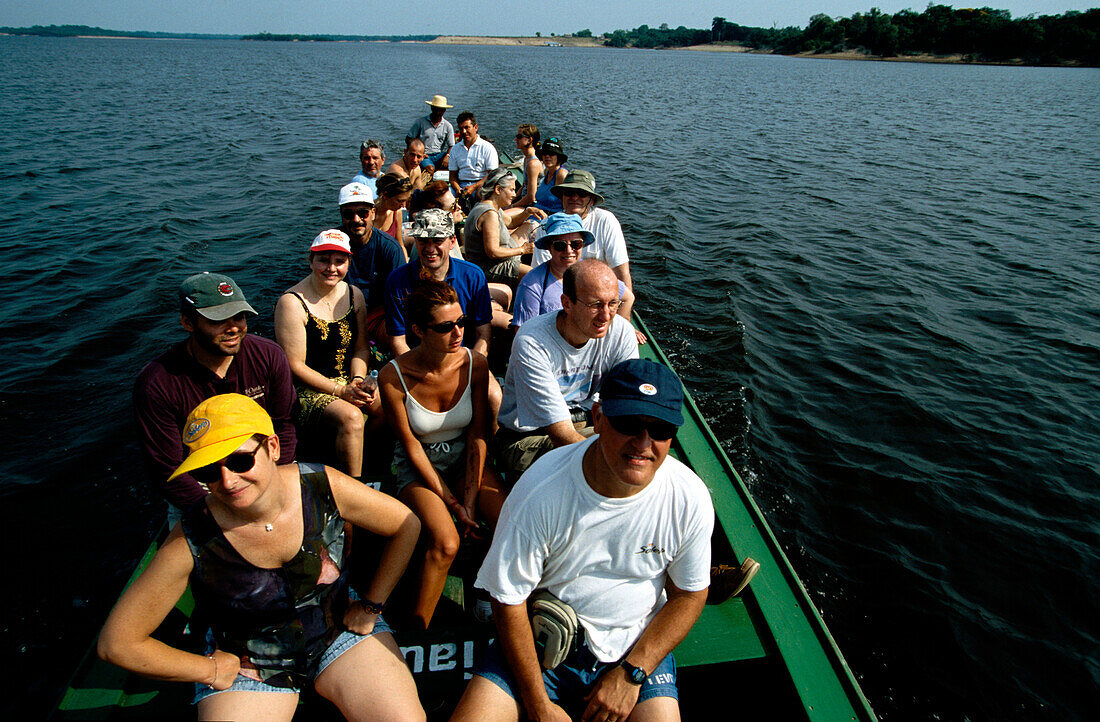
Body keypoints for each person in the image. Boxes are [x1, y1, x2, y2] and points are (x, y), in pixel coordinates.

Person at [98, 394, 425, 721]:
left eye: (240, 461)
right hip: (249, 663)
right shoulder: (193, 538)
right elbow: (118, 642)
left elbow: (405, 525)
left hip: (336, 630)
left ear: (272, 447)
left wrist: (371, 606)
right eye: (210, 471)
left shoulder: (320, 485)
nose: (227, 481)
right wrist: (208, 670)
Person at [452, 359, 713, 722]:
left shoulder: (690, 498)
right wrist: (539, 704)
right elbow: (509, 600)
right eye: (627, 423)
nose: (643, 444)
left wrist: (631, 674)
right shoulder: (541, 491)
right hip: (542, 643)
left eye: (661, 429)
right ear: (598, 416)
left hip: (635, 649)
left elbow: (689, 594)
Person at [378, 280, 505, 629]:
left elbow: (479, 434)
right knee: (446, 542)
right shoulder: (393, 376)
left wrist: (470, 500)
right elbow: (410, 445)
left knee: (505, 517)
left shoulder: (475, 364)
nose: (457, 333)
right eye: (445, 327)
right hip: (419, 466)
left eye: (461, 322)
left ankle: (486, 594)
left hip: (465, 458)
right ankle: (416, 627)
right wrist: (452, 503)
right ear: (418, 330)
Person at [134, 272, 298, 522]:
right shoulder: (157, 384)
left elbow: (284, 424)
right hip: (205, 482)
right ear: (188, 323)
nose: (233, 328)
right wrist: (219, 511)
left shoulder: (269, 356)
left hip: (263, 466)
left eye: (239, 317)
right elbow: (167, 468)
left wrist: (272, 481)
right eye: (218, 320)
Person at [496, 259, 639, 475]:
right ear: (567, 303)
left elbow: (628, 402)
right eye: (595, 305)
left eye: (613, 303)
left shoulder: (621, 333)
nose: (606, 316)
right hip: (529, 439)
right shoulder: (532, 342)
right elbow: (561, 435)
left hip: (588, 423)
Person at [274, 229, 381, 480]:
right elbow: (295, 366)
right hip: (308, 389)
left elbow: (361, 348)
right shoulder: (291, 303)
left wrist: (356, 380)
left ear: (348, 263)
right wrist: (341, 391)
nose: (331, 268)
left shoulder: (354, 295)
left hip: (347, 381)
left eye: (339, 261)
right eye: (323, 260)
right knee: (353, 417)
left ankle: (364, 459)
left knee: (387, 406)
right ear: (310, 261)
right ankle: (351, 493)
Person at [384, 209, 504, 418]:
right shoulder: (397, 281)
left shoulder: (473, 275)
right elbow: (398, 341)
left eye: (437, 240)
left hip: (464, 360)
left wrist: (469, 367)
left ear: (452, 241)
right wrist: (426, 375)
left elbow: (482, 334)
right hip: (416, 364)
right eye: (423, 241)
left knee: (494, 397)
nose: (430, 248)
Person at [511, 212, 634, 329]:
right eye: (560, 245)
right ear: (549, 247)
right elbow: (524, 332)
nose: (569, 250)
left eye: (576, 244)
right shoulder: (532, 284)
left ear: (583, 245)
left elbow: (628, 298)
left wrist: (615, 331)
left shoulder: (595, 273)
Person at [338, 182, 407, 347]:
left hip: (378, 314)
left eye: (363, 213)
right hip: (341, 313)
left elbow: (400, 297)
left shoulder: (390, 248)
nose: (356, 220)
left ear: (373, 213)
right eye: (348, 214)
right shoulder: (332, 245)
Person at [463, 167, 542, 286]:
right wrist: (523, 250)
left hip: (500, 254)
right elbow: (493, 252)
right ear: (498, 189)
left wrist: (527, 212)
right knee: (534, 275)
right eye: (512, 190)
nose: (515, 195)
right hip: (489, 266)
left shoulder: (490, 206)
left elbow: (510, 222)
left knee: (530, 226)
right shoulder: (489, 214)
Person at [449, 111, 498, 206]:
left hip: (481, 185)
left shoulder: (487, 147)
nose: (464, 132)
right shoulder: (455, 149)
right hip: (462, 185)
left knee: (481, 195)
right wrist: (457, 189)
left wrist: (474, 187)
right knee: (442, 196)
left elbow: (492, 175)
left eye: (467, 128)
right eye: (461, 129)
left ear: (475, 127)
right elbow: (452, 177)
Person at [407, 94, 456, 176]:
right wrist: (420, 153)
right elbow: (409, 139)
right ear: (432, 108)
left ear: (444, 110)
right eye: (436, 109)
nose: (438, 112)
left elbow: (452, 146)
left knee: (455, 164)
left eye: (440, 110)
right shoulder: (420, 122)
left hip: (439, 155)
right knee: (430, 169)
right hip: (425, 155)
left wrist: (447, 156)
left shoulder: (448, 126)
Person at [373, 173, 414, 256]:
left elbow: (400, 245)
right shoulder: (369, 215)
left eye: (405, 201)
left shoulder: (397, 212)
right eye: (400, 201)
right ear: (385, 195)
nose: (404, 206)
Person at [509, 124, 543, 209]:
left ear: (529, 140)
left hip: (530, 206)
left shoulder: (533, 164)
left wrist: (511, 206)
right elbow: (524, 186)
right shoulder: (526, 159)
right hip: (524, 201)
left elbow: (531, 197)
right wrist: (513, 198)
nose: (516, 139)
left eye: (519, 136)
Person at [532, 137, 568, 214]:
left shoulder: (561, 175)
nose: (547, 156)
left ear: (558, 157)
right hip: (536, 211)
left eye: (551, 154)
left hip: (549, 217)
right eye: (545, 153)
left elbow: (567, 205)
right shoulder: (547, 171)